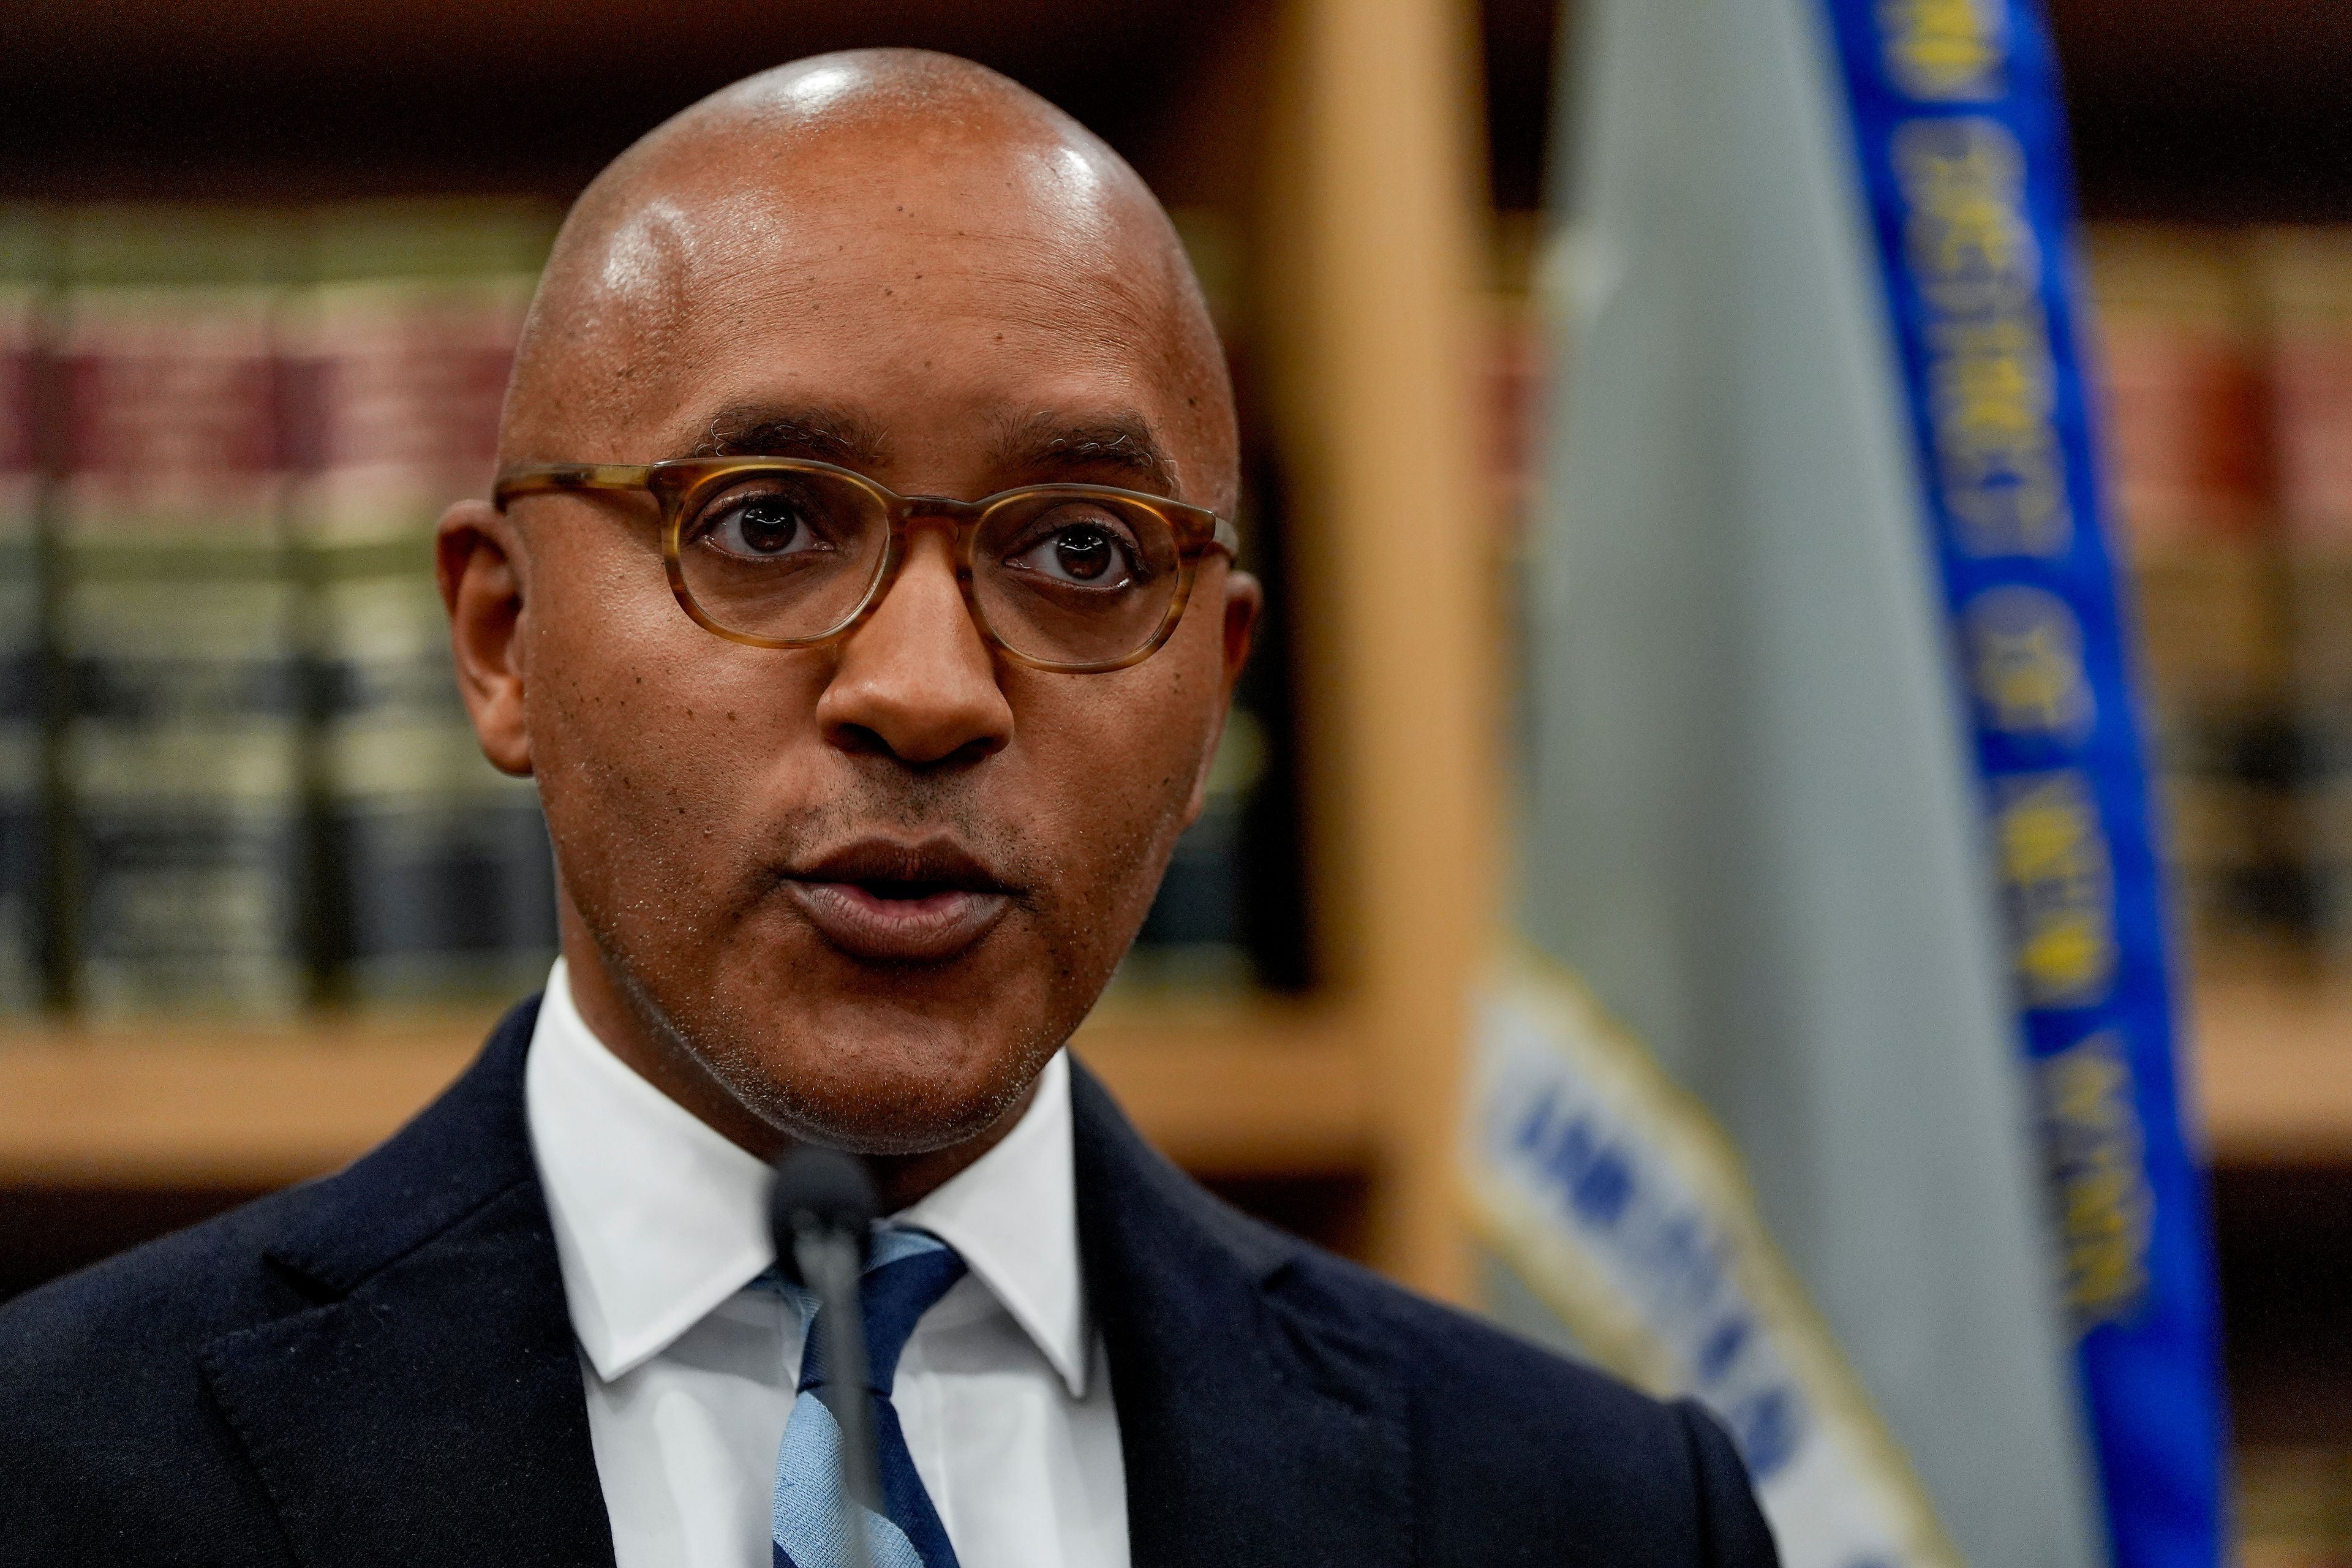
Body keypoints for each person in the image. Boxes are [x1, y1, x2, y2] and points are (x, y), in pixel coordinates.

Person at [0, 50, 1777, 1568]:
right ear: (502, 642)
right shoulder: (56, 1466)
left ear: (1213, 690)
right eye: (768, 523)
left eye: (1083, 554)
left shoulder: (1592, 1514)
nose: (928, 691)